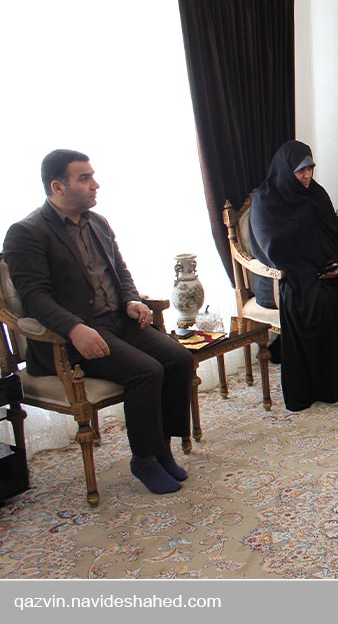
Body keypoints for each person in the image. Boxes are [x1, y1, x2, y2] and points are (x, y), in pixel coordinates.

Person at [3, 149, 194, 495]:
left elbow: (120, 271)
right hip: (70, 340)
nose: (96, 184)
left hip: (116, 322)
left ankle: (162, 448)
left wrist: (132, 300)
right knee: (146, 371)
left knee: (179, 358)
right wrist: (74, 328)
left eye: (92, 176)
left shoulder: (98, 222)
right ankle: (144, 460)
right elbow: (34, 298)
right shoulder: (26, 233)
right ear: (58, 187)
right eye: (85, 178)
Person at [250, 140, 338, 411]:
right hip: (283, 276)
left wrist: (333, 264)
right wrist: (312, 271)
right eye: (301, 171)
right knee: (319, 305)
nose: (307, 175)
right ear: (287, 171)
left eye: (310, 168)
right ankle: (323, 384)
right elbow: (272, 248)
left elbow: (332, 236)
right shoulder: (266, 199)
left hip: (318, 269)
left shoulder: (315, 194)